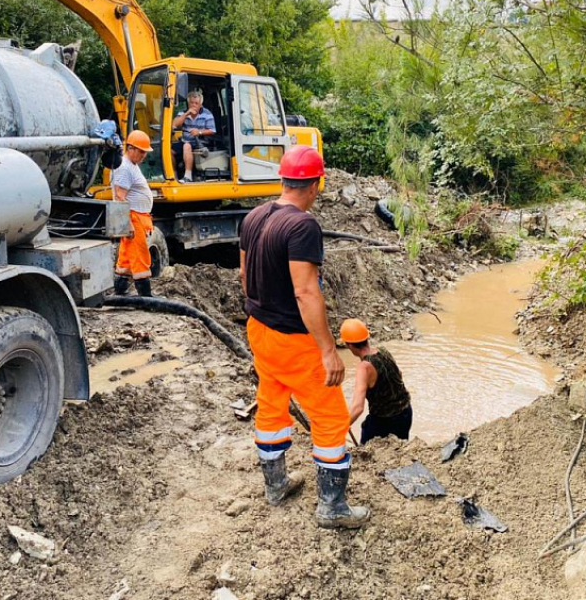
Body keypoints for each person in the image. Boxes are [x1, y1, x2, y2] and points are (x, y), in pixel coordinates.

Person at [239, 145, 370, 530]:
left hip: (259, 330)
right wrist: (329, 350)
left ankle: (276, 485)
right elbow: (306, 292)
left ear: (283, 179)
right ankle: (332, 508)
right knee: (329, 417)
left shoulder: (253, 217)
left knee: (271, 403)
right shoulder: (302, 226)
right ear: (315, 184)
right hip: (294, 340)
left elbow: (245, 277)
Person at [341, 319, 413, 445]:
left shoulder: (364, 367)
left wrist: (340, 428)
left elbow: (358, 407)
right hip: (406, 412)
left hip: (384, 421)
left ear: (350, 346)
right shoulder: (383, 351)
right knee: (400, 449)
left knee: (367, 451)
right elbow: (399, 374)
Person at [112, 130, 155, 297]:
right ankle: (146, 296)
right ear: (130, 148)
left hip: (136, 217)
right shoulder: (124, 168)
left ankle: (120, 292)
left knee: (126, 258)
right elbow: (120, 197)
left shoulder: (131, 166)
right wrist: (127, 223)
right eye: (141, 151)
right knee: (140, 257)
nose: (144, 155)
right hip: (133, 217)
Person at [172, 90, 216, 182]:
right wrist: (186, 114)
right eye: (191, 102)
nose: (194, 105)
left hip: (201, 142)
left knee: (187, 146)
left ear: (200, 104)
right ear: (188, 103)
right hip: (185, 140)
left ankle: (188, 176)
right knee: (169, 150)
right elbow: (175, 124)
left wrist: (199, 132)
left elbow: (212, 130)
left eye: (196, 103)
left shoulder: (207, 114)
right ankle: (174, 175)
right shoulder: (183, 113)